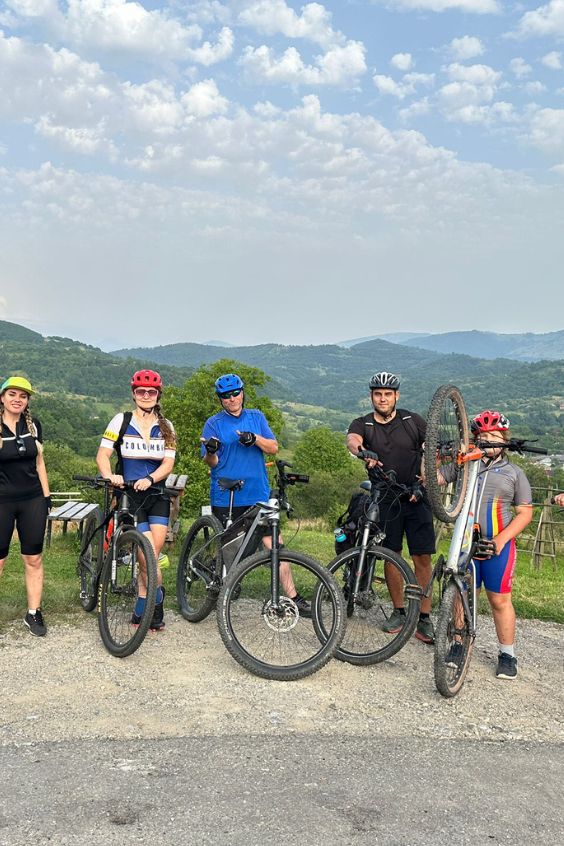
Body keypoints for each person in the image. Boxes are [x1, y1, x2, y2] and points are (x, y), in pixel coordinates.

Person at [201, 373, 310, 615]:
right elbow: (211, 462)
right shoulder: (213, 423)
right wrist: (211, 451)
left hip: (257, 494)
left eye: (235, 393)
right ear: (220, 399)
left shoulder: (256, 417)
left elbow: (273, 447)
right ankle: (222, 582)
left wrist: (255, 439)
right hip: (227, 495)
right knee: (231, 549)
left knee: (276, 545)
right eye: (226, 396)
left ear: (242, 393)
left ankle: (293, 597)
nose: (232, 399)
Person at [346, 371, 436, 643]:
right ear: (371, 396)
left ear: (396, 396)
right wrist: (363, 451)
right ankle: (399, 611)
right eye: (378, 394)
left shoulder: (412, 421)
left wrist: (425, 477)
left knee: (422, 558)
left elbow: (430, 448)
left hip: (416, 495)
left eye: (387, 394)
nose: (382, 399)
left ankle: (424, 617)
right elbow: (352, 440)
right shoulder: (363, 423)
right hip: (385, 497)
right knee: (390, 554)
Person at [445, 409, 533, 679]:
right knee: (461, 593)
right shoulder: (465, 466)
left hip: (498, 546)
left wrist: (500, 540)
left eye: (495, 436)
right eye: (483, 436)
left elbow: (525, 513)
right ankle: (458, 644)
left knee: (499, 600)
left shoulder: (514, 473)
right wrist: (432, 457)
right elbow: (433, 479)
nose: (489, 441)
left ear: (505, 440)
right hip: (466, 543)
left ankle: (507, 654)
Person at [96, 370, 176, 630]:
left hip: (157, 495)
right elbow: (103, 455)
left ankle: (148, 603)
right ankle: (153, 602)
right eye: (141, 391)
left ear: (158, 395)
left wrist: (151, 479)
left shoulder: (166, 426)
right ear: (134, 394)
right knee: (146, 555)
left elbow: (168, 463)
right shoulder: (121, 420)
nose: (146, 395)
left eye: (151, 392)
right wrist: (110, 476)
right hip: (131, 496)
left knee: (151, 557)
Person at [0, 377, 52, 636]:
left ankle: (33, 613)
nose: (17, 399)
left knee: (33, 558)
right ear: (2, 397)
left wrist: (47, 497)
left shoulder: (34, 426)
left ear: (28, 401)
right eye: (12, 394)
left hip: (32, 499)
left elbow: (39, 462)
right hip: (2, 501)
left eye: (23, 396)